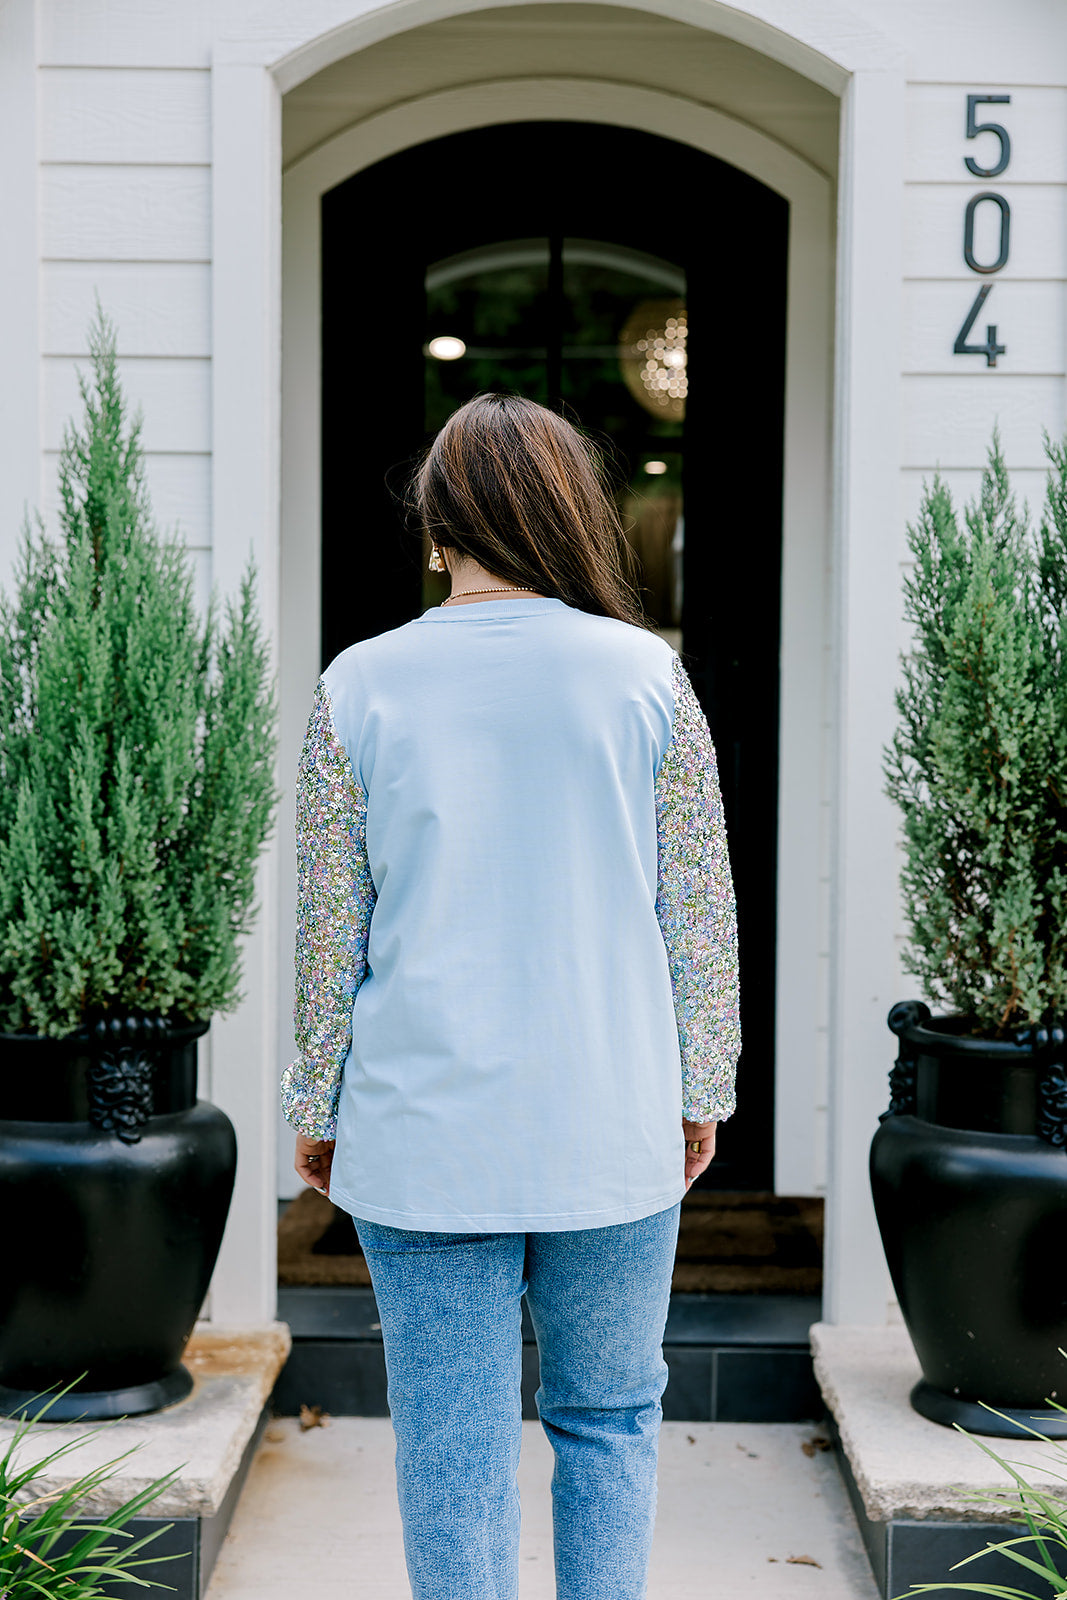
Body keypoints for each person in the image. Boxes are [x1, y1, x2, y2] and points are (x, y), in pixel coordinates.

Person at [281, 392, 740, 1600]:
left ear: (437, 531)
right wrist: (703, 1091)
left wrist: (315, 1105)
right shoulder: (651, 678)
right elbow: (696, 918)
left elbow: (333, 939)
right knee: (607, 1418)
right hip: (611, 1114)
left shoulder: (355, 686)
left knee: (449, 1442)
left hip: (419, 1125)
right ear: (567, 517)